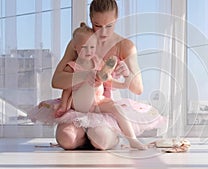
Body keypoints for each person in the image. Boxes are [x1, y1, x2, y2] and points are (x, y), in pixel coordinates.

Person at [29, 0, 166, 150]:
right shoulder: (81, 41)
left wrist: (126, 73)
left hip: (102, 104)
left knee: (101, 139)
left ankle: (102, 137)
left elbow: (138, 89)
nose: (103, 33)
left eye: (109, 26)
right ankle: (83, 137)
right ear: (90, 19)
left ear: (116, 19)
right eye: (97, 26)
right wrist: (84, 75)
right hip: (77, 106)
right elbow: (56, 81)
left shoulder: (124, 45)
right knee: (66, 139)